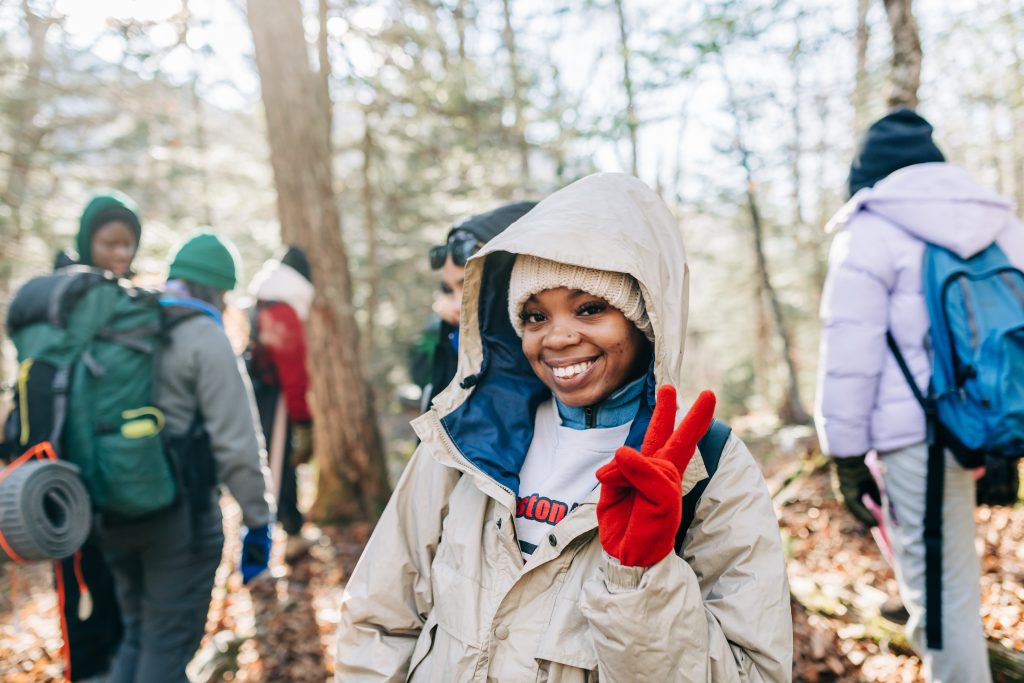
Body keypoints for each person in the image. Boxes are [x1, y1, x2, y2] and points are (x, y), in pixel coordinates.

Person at [336, 173, 791, 681]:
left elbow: (755, 672)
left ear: (644, 318)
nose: (557, 337)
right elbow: (378, 621)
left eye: (590, 308)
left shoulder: (706, 465)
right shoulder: (466, 442)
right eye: (534, 316)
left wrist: (639, 580)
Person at [816, 109, 1024, 682]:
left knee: (937, 591)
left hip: (913, 436)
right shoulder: (1000, 221)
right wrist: (1009, 437)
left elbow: (848, 355)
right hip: (983, 422)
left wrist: (846, 454)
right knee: (952, 577)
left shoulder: (871, 226)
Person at [99, 231, 274, 683]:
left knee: (138, 634)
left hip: (113, 506)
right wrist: (259, 522)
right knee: (166, 647)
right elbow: (237, 444)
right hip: (180, 517)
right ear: (220, 290)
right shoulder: (204, 336)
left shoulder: (127, 323)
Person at [56, 192, 142, 682]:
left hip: (124, 474)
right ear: (89, 242)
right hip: (71, 476)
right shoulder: (66, 301)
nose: (121, 254)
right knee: (81, 588)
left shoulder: (132, 301)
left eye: (129, 243)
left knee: (121, 588)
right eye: (111, 243)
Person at [413, 201, 536, 410]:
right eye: (449, 290)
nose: (455, 304)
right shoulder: (450, 333)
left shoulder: (543, 353)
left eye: (467, 284)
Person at [246, 246, 315, 562]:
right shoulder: (282, 312)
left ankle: (282, 536)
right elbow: (293, 371)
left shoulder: (259, 304)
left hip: (258, 396)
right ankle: (287, 537)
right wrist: (303, 419)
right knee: (280, 466)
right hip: (277, 401)